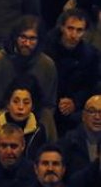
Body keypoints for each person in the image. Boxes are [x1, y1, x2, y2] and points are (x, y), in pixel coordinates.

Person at [42, 9, 101, 137]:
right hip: (47, 106)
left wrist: (75, 102)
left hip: (75, 110)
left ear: (84, 32)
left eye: (79, 30)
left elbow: (91, 85)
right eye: (70, 28)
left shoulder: (91, 55)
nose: (74, 34)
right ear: (62, 27)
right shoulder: (46, 50)